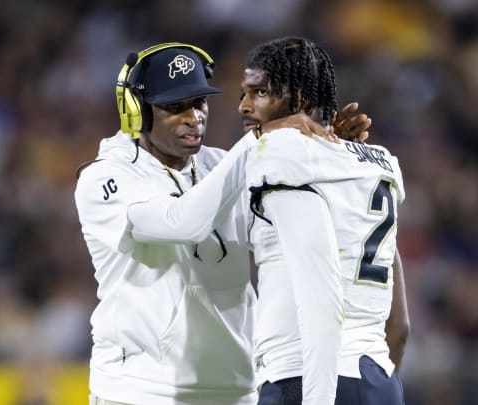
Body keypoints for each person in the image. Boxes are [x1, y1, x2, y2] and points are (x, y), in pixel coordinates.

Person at [74, 42, 370, 405]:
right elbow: (182, 222)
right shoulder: (105, 178)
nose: (193, 117)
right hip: (140, 391)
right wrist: (262, 139)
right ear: (137, 111)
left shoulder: (222, 163)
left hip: (236, 390)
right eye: (173, 107)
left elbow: (285, 229)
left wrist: (330, 150)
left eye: (199, 102)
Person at [239, 36, 409, 405]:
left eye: (260, 93)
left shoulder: (279, 156)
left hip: (301, 376)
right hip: (378, 379)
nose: (246, 106)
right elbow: (400, 326)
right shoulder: (383, 162)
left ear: (296, 100)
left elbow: (192, 216)